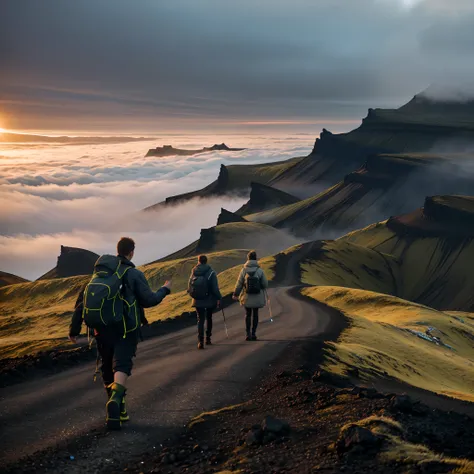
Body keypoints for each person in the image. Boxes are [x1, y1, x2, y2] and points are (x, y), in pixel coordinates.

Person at [69, 237, 172, 430]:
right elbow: (149, 300)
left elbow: (81, 304)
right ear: (131, 252)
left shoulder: (98, 275)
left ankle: (119, 410)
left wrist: (74, 330)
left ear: (117, 251)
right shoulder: (132, 273)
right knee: (122, 365)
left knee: (107, 367)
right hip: (126, 329)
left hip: (101, 329)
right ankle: (116, 401)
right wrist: (164, 290)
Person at [232, 250, 268, 341]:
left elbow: (239, 283)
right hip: (257, 296)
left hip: (247, 296)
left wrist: (235, 294)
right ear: (255, 258)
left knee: (248, 314)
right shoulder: (260, 270)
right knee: (255, 314)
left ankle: (248, 334)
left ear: (248, 258)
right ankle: (254, 333)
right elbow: (265, 284)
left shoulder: (243, 270)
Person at [188, 255, 222, 349]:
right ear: (206, 261)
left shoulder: (193, 272)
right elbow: (215, 288)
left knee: (200, 320)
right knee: (209, 317)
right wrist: (219, 297)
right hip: (209, 299)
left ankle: (200, 341)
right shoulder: (211, 272)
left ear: (198, 261)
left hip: (197, 300)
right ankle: (208, 338)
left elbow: (189, 286)